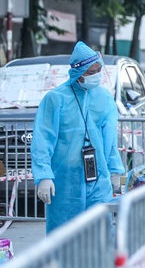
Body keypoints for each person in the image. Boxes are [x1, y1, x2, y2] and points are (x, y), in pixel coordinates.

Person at [31, 41, 124, 233]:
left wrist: (115, 170)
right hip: (65, 180)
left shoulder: (104, 98)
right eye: (91, 72)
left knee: (100, 233)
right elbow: (43, 140)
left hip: (99, 177)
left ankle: (100, 264)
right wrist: (43, 176)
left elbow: (110, 139)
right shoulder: (55, 99)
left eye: (99, 70)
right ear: (78, 72)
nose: (96, 75)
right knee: (64, 236)